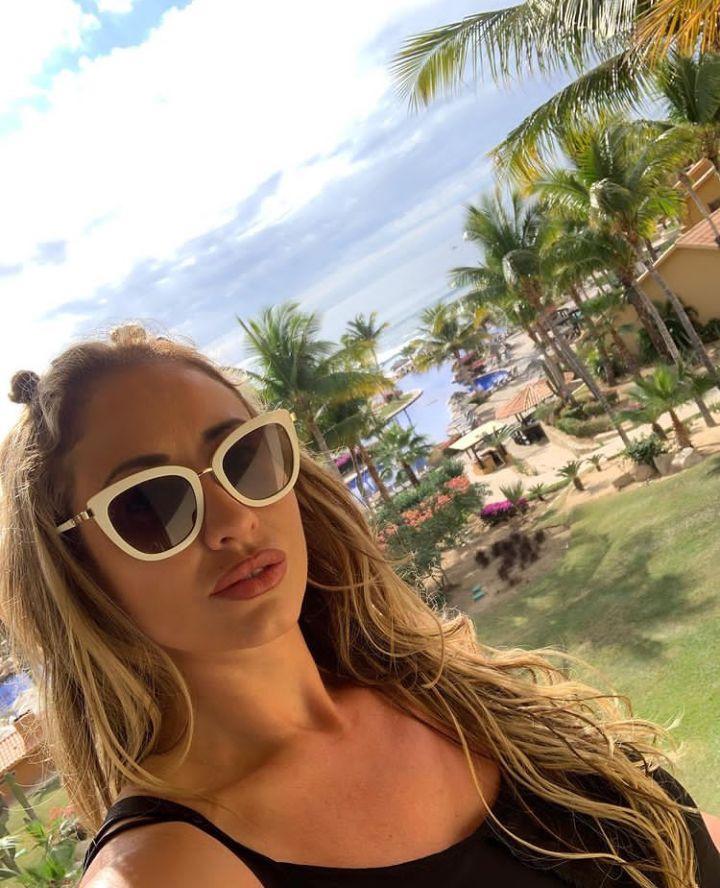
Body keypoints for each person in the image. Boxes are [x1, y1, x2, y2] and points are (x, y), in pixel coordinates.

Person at [0, 321, 718, 888]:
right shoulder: (164, 871)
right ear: (77, 571)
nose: (233, 520)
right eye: (150, 505)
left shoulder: (434, 679)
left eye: (244, 458)